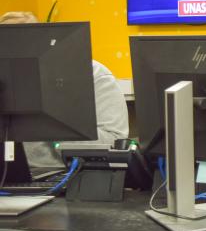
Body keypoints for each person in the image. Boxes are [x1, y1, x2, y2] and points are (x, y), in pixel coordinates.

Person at [0, 11, 129, 168]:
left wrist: (54, 117)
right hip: (14, 179)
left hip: (72, 177)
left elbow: (114, 142)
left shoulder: (94, 75)